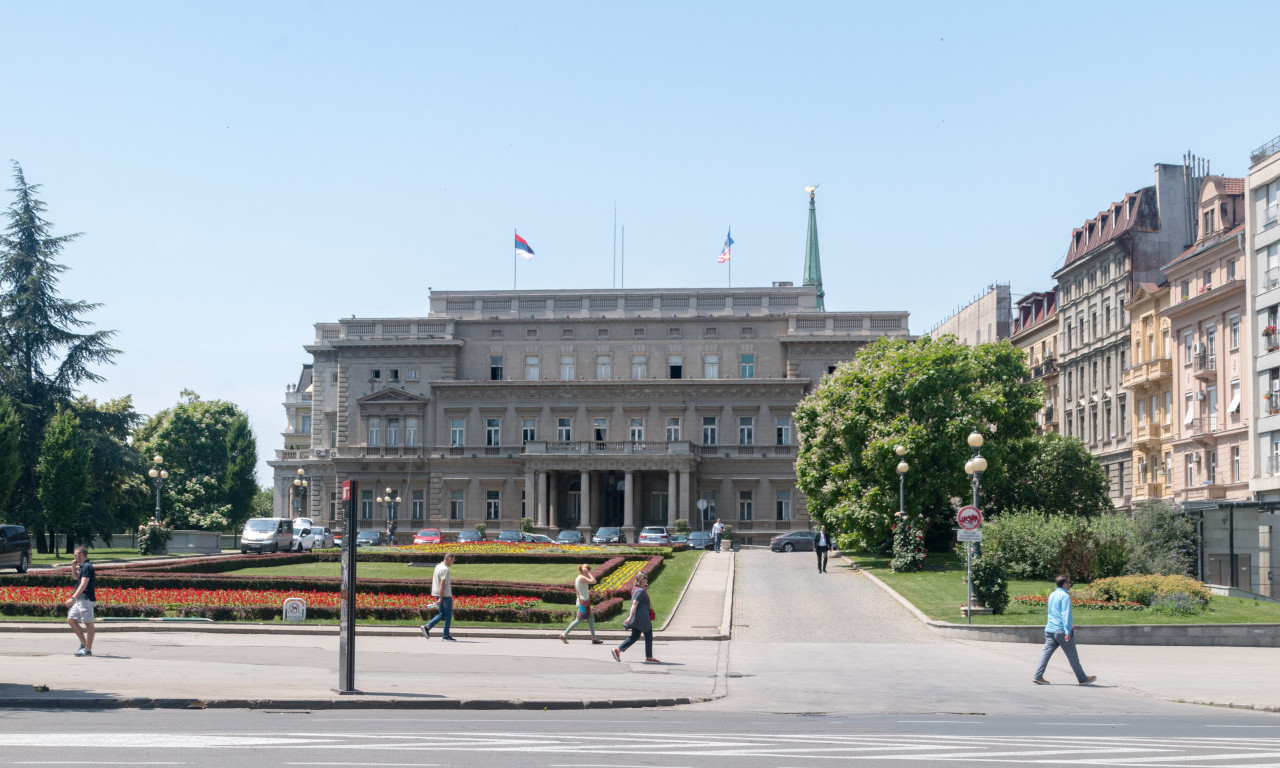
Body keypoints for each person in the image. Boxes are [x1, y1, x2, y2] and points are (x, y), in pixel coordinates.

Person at [1032, 574, 1096, 686]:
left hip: (1050, 629)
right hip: (1061, 630)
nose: (1070, 584)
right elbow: (1065, 614)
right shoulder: (1065, 596)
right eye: (1069, 582)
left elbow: (1053, 612)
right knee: (1072, 655)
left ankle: (1038, 676)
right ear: (1065, 584)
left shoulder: (1052, 595)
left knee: (1046, 653)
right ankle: (1082, 678)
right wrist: (1067, 630)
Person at [611, 571, 659, 663]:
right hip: (642, 618)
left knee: (635, 636)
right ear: (641, 579)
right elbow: (634, 603)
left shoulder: (635, 588)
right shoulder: (640, 591)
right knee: (648, 634)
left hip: (638, 618)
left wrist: (645, 590)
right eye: (646, 578)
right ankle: (649, 657)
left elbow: (639, 600)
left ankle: (618, 650)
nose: (647, 579)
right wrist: (629, 617)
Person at [64, 545, 96, 657]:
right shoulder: (82, 566)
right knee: (71, 619)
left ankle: (88, 649)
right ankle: (84, 644)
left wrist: (72, 598)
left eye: (75, 555)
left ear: (81, 555)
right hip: (80, 599)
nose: (74, 557)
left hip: (86, 599)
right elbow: (75, 577)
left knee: (88, 623)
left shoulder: (87, 566)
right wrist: (73, 566)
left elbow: (83, 584)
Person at [560, 563, 603, 644]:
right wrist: (588, 573)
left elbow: (578, 591)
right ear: (585, 571)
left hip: (584, 602)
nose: (590, 573)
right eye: (589, 571)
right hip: (583, 603)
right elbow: (594, 581)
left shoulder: (578, 578)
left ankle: (594, 638)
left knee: (591, 619)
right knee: (578, 620)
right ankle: (564, 634)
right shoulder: (582, 578)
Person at [421, 553, 457, 641]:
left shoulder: (438, 566)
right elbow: (442, 584)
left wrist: (439, 597)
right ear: (448, 558)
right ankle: (446, 636)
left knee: (442, 614)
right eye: (452, 560)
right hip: (445, 594)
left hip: (438, 593)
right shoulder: (445, 569)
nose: (452, 563)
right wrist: (441, 597)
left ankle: (427, 627)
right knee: (448, 615)